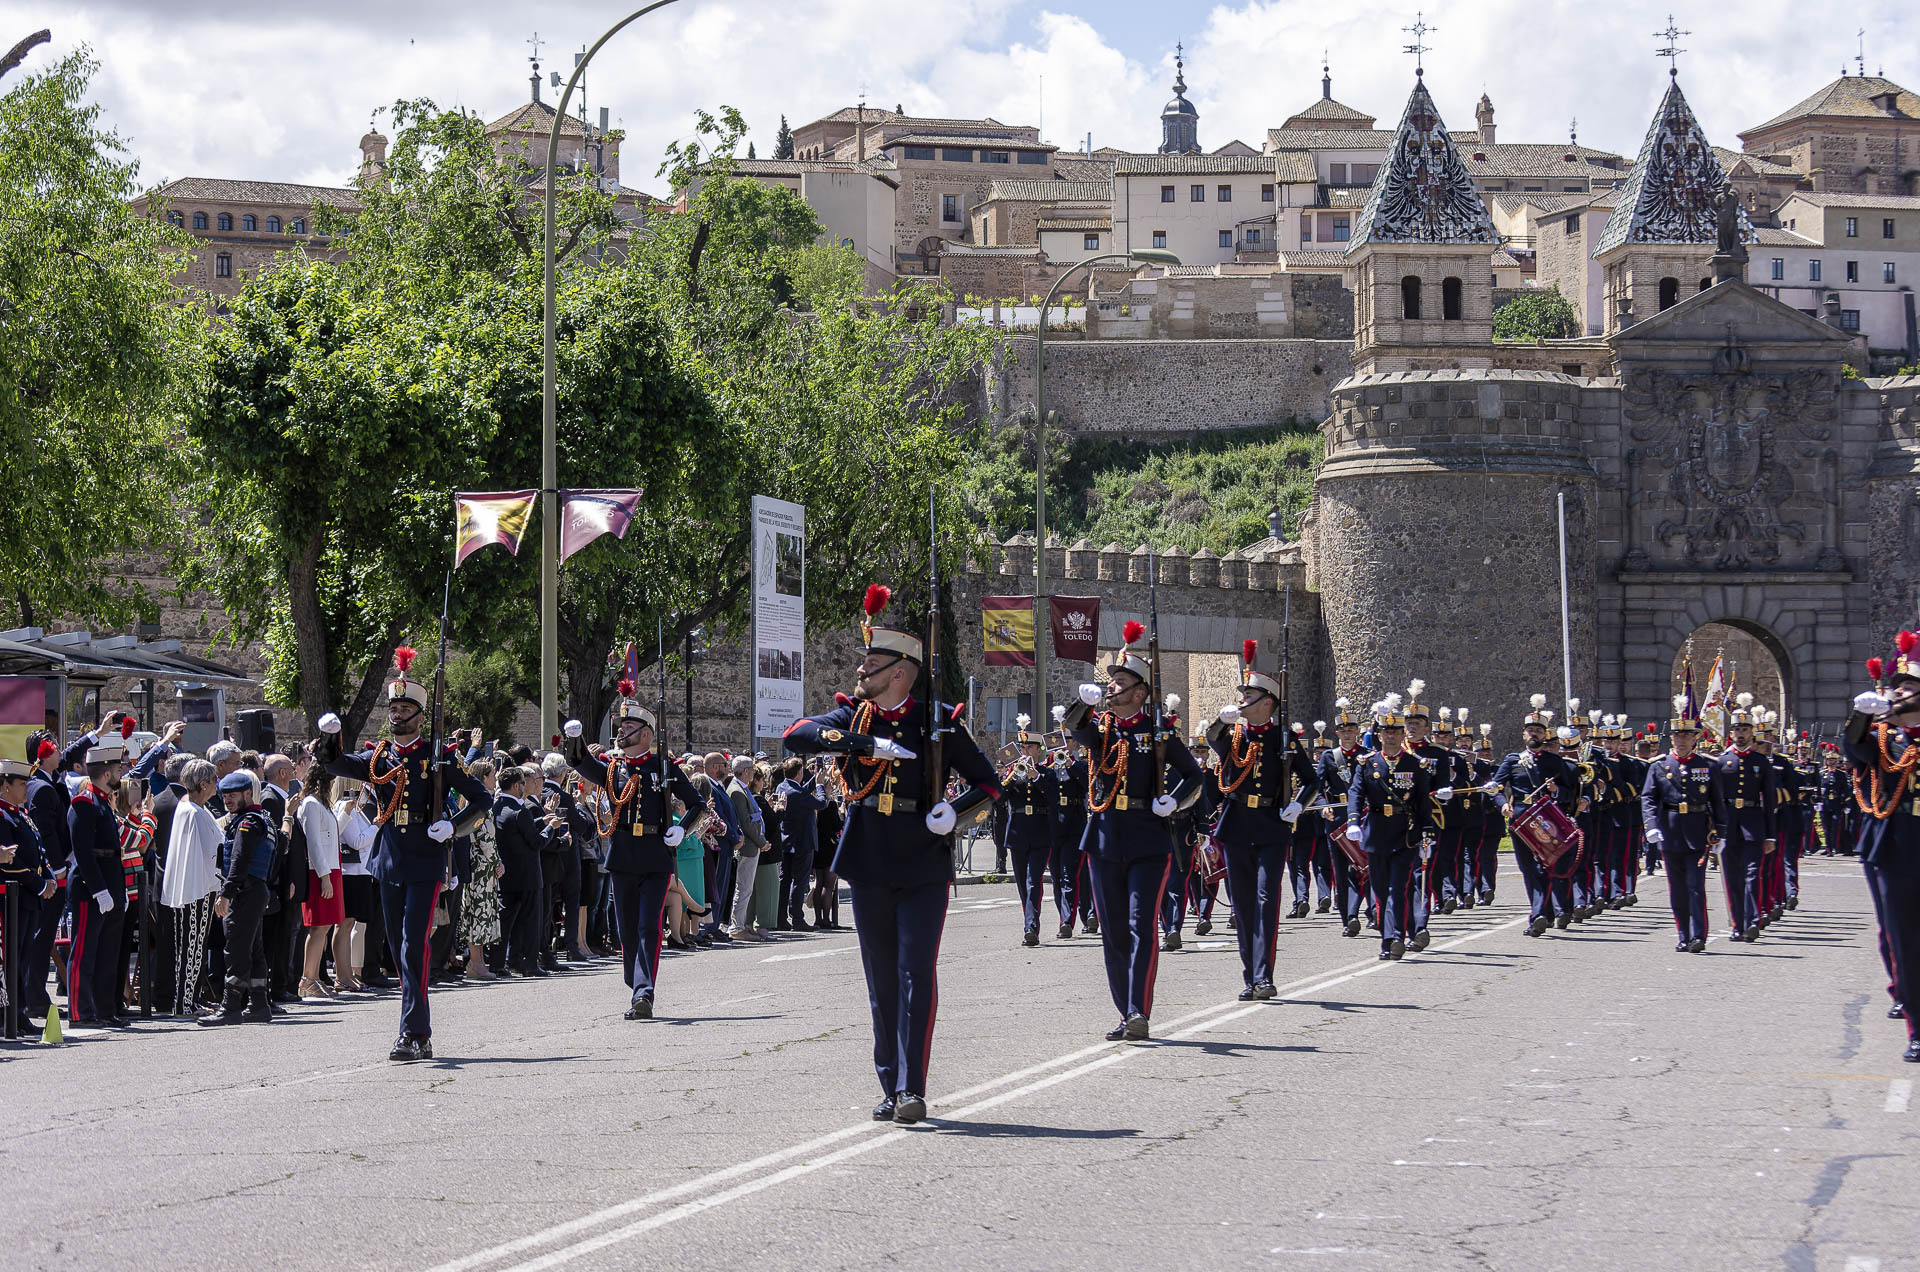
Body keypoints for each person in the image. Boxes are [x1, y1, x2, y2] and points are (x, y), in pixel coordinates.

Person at [782, 583, 999, 1123]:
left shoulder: (938, 720)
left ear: (900, 673)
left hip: (923, 857)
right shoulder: (854, 719)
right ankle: (889, 1083)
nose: (861, 671)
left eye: (872, 665)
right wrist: (865, 745)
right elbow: (796, 735)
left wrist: (955, 813)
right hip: (870, 858)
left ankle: (911, 1087)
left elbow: (989, 784)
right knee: (881, 981)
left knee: (916, 973)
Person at [317, 646, 490, 1061]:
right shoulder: (380, 756)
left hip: (426, 859)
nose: (397, 715)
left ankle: (414, 1032)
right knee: (398, 950)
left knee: (414, 947)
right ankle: (415, 1032)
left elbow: (481, 799)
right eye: (393, 709)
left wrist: (453, 826)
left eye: (405, 709)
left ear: (420, 716)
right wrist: (329, 737)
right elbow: (336, 764)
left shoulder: (439, 757)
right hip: (389, 858)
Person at [1063, 620, 1205, 1043]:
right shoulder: (1101, 728)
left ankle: (1139, 1009)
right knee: (1113, 931)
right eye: (1111, 682)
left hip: (1148, 837)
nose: (1112, 687)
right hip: (1105, 836)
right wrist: (1082, 703)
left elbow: (1194, 775)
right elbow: (1076, 727)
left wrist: (1173, 801)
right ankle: (1125, 1009)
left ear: (1140, 693)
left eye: (1120, 682)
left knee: (1142, 926)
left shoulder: (1157, 732)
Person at [567, 685, 708, 1019]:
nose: (621, 731)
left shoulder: (663, 766)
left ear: (646, 734)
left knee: (649, 927)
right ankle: (636, 982)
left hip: (655, 856)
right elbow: (581, 763)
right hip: (623, 855)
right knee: (627, 930)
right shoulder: (613, 768)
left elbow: (697, 804)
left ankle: (644, 993)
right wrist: (575, 739)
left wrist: (682, 829)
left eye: (629, 727)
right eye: (621, 726)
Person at [1207, 641, 1315, 1000]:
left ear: (1267, 703)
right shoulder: (1235, 735)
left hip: (1271, 825)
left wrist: (1298, 804)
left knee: (1267, 901)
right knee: (1243, 904)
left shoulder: (1284, 739)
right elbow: (1213, 740)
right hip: (1237, 825)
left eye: (1249, 695)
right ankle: (1249, 976)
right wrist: (1220, 722)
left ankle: (1264, 975)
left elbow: (1311, 780)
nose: (1242, 700)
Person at [1843, 633, 1920, 1062]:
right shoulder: (1887, 738)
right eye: (1900, 687)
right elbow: (1855, 748)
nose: (1902, 693)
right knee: (1905, 938)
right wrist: (1860, 716)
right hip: (1900, 842)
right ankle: (1917, 1026)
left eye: (1911, 687)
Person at [1344, 695, 1435, 960]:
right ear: (1379, 735)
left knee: (1398, 888)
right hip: (1376, 833)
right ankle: (1392, 933)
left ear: (1402, 734)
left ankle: (1393, 939)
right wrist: (1353, 821)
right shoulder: (1368, 763)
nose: (1391, 736)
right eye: (1387, 732)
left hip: (1405, 834)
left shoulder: (1415, 764)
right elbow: (1356, 793)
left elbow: (1422, 802)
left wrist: (1427, 833)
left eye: (1396, 732)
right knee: (1381, 890)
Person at [1491, 696, 1583, 936]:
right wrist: (1502, 804)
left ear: (1545, 735)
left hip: (1546, 819)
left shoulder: (1555, 761)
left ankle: (1539, 915)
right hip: (1520, 820)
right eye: (1530, 730)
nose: (1534, 734)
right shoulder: (1512, 760)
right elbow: (1495, 788)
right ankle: (1543, 913)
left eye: (1539, 731)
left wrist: (1556, 790)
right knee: (1529, 869)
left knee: (1546, 867)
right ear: (1524, 734)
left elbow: (1570, 792)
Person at [1641, 695, 1725, 953]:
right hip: (1670, 832)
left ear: (1694, 739)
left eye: (1686, 736)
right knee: (1677, 889)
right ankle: (1683, 935)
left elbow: (1717, 800)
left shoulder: (1707, 765)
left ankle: (1698, 935)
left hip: (1698, 833)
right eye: (1677, 736)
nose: (1680, 740)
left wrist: (1721, 833)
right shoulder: (1659, 766)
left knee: (1695, 887)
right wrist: (1651, 825)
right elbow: (1648, 798)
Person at [197, 769, 278, 1026]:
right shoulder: (261, 819)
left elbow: (239, 861)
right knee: (254, 949)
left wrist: (226, 894)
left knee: (236, 950)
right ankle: (258, 1004)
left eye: (233, 795)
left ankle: (231, 1007)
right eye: (225, 796)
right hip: (256, 890)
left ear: (247, 793)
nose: (228, 800)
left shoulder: (247, 823)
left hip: (245, 891)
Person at [66, 736, 131, 1025]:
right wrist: (99, 890)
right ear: (106, 773)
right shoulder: (84, 803)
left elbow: (113, 852)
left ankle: (105, 1009)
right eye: (117, 770)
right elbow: (83, 853)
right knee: (84, 952)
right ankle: (80, 1012)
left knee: (107, 953)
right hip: (89, 887)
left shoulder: (103, 802)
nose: (120, 775)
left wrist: (119, 889)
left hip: (110, 882)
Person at [160, 759, 222, 1015]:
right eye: (215, 780)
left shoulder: (196, 809)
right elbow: (208, 851)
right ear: (203, 784)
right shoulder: (192, 811)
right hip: (196, 889)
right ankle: (184, 1003)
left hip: (199, 886)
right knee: (191, 947)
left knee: (195, 946)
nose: (218, 784)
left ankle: (191, 999)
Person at [1715, 693, 1778, 942]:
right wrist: (1714, 830)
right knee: (1732, 878)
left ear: (1752, 733)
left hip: (1753, 825)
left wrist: (1771, 835)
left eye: (1745, 730)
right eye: (1737, 730)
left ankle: (1753, 921)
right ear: (1731, 734)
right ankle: (1736, 925)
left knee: (1753, 875)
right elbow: (1715, 800)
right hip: (1728, 826)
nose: (1741, 734)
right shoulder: (1721, 762)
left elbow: (1770, 801)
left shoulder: (1760, 762)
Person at [1, 757, 56, 1035]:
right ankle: (6, 1014)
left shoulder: (20, 814)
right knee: (10, 958)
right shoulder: (2, 816)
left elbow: (39, 850)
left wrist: (49, 877)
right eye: (21, 784)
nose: (26, 789)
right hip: (12, 897)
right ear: (5, 786)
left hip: (28, 897)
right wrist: (39, 884)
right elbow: (9, 861)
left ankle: (18, 1011)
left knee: (22, 957)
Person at [994, 715, 1057, 947]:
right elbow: (999, 800)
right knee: (1022, 884)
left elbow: (1053, 799)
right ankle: (1029, 921)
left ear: (1038, 751)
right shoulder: (1013, 774)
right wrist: (1010, 777)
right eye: (1023, 748)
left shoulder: (1048, 773)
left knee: (1033, 881)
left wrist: (1036, 777)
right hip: (1018, 833)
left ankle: (1031, 927)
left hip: (1040, 833)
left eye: (1030, 747)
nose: (1026, 751)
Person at [492, 765, 550, 978]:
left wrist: (541, 820)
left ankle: (501, 962)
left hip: (507, 874)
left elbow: (517, 829)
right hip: (528, 876)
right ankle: (530, 964)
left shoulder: (497, 807)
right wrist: (551, 828)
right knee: (531, 921)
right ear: (517, 785)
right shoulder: (520, 810)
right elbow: (536, 842)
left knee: (506, 921)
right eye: (523, 783)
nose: (525, 787)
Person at [296, 765, 343, 1000]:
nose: (333, 785)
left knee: (324, 926)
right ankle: (307, 978)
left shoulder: (321, 804)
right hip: (319, 871)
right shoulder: (311, 804)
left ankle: (313, 977)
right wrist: (324, 876)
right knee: (318, 927)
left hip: (330, 868)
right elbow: (313, 843)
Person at [460, 759, 503, 980]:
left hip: (482, 865)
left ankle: (478, 961)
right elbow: (484, 837)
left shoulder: (479, 802)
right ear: (483, 778)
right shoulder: (479, 804)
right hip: (480, 866)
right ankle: (475, 962)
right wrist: (497, 862)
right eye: (492, 775)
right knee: (478, 912)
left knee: (481, 911)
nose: (495, 779)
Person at [774, 758, 825, 931]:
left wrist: (815, 779)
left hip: (787, 841)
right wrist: (820, 786)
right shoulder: (799, 793)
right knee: (799, 881)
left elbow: (801, 792)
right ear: (799, 773)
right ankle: (797, 918)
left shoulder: (782, 787)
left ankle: (781, 918)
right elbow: (821, 803)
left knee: (785, 880)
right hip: (802, 841)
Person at [724, 756, 768, 940]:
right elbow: (746, 822)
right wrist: (761, 842)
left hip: (750, 844)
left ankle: (740, 924)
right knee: (743, 888)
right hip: (748, 845)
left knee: (745, 888)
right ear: (747, 771)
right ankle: (737, 927)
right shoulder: (737, 791)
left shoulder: (740, 788)